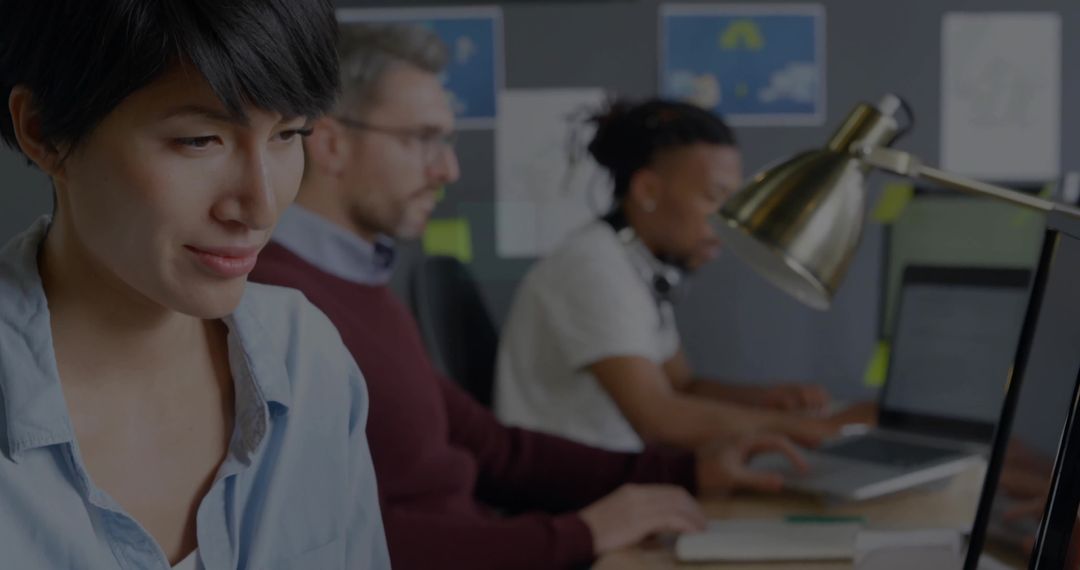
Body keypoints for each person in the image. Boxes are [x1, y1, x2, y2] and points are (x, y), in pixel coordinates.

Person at [250, 23, 807, 570]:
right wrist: (580, 534)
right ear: (332, 143)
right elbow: (350, 544)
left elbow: (495, 450)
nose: (448, 168)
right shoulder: (273, 307)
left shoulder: (362, 289)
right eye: (423, 139)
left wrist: (686, 475)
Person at [0, 1, 389, 568]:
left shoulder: (306, 358)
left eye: (288, 134)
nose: (260, 206)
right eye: (201, 140)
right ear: (44, 131)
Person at [495, 99, 844, 452]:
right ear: (647, 190)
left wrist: (765, 401)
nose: (729, 221)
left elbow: (682, 387)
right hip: (570, 480)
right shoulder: (591, 268)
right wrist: (815, 429)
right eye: (714, 197)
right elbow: (659, 420)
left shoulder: (638, 263)